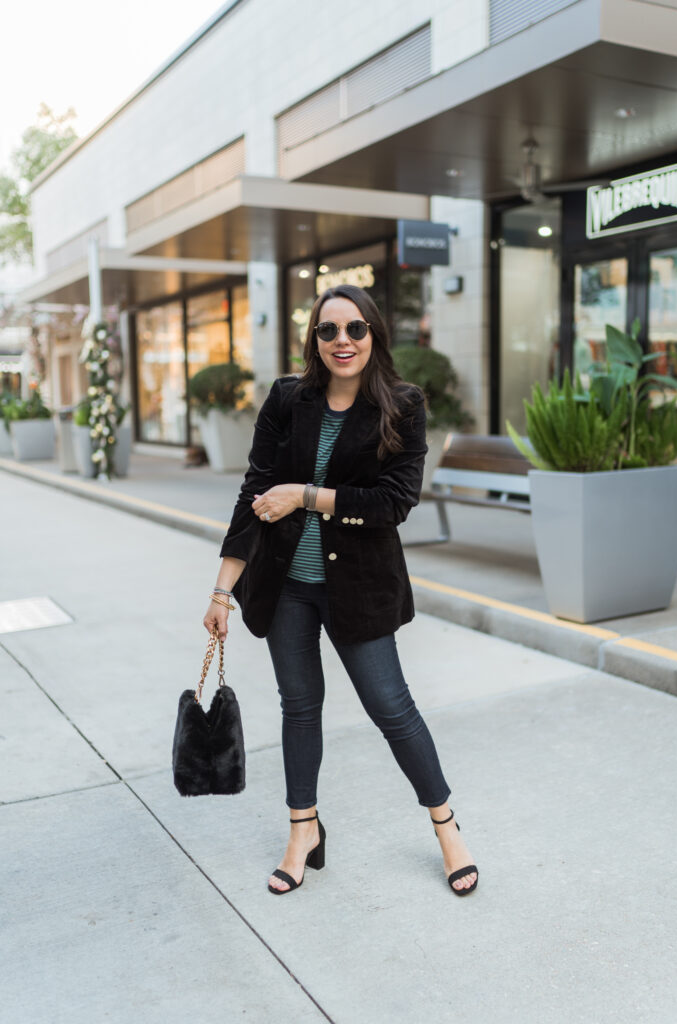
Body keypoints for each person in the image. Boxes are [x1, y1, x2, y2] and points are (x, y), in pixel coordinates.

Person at [203, 284, 478, 897]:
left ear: (373, 333)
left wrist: (306, 495)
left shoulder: (402, 406)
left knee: (392, 709)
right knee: (299, 708)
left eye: (354, 329)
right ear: (315, 340)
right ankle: (303, 831)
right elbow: (254, 490)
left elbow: (394, 502)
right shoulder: (287, 399)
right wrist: (223, 589)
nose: (342, 341)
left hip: (359, 588)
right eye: (328, 331)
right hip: (286, 588)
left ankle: (447, 827)